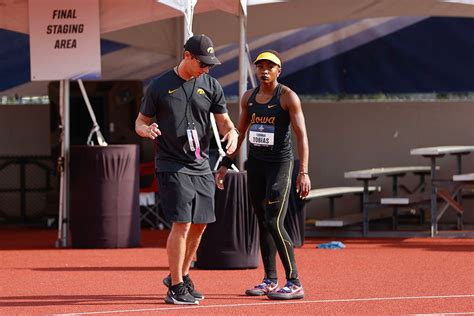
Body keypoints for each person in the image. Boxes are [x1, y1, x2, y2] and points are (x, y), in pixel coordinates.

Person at [135, 34, 239, 305]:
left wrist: (233, 133)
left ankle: (180, 274)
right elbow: (140, 122)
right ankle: (176, 286)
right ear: (187, 56)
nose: (206, 69)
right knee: (182, 222)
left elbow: (225, 122)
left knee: (201, 223)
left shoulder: (212, 85)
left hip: (201, 163)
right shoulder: (159, 86)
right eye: (202, 63)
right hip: (171, 163)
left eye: (210, 65)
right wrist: (146, 130)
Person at [215, 50, 311, 300]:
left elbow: (302, 136)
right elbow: (240, 132)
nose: (264, 70)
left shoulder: (288, 97)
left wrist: (304, 172)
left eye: (270, 66)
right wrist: (226, 163)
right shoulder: (249, 98)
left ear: (279, 71)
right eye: (260, 66)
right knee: (262, 222)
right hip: (255, 165)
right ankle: (269, 279)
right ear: (256, 70)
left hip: (280, 164)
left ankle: (294, 282)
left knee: (274, 221)